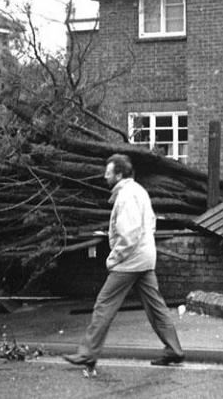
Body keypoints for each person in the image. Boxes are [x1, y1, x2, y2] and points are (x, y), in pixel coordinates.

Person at [63, 154, 184, 371]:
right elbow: (151, 223)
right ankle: (174, 350)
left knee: (104, 304)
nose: (105, 176)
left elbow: (128, 234)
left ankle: (88, 353)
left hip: (130, 260)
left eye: (108, 172)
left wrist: (114, 257)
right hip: (145, 258)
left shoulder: (126, 196)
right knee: (156, 307)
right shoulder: (139, 191)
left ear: (119, 174)